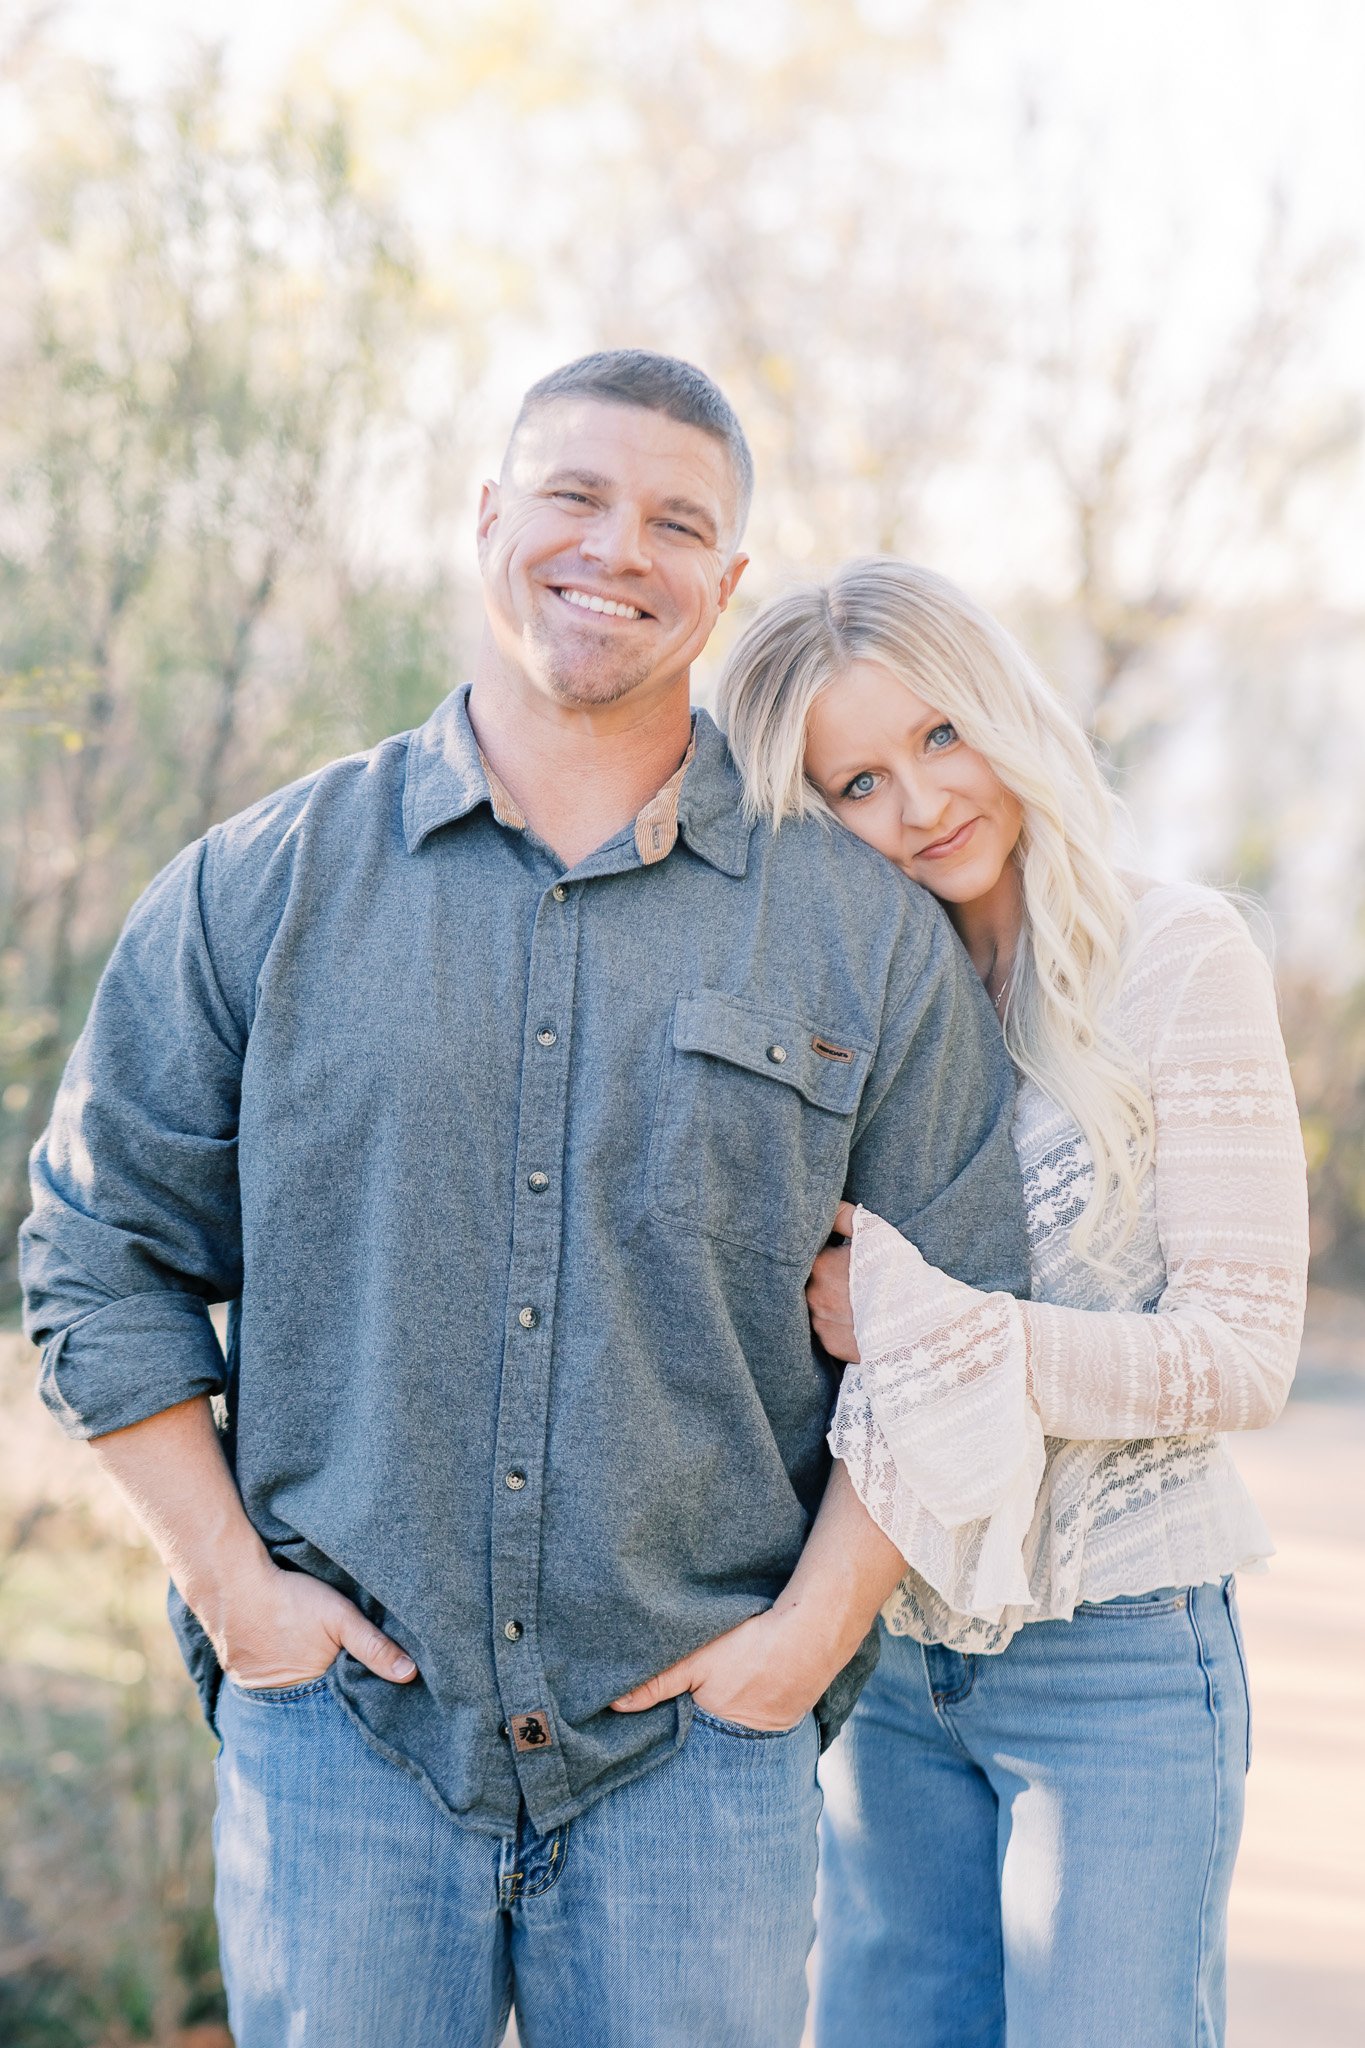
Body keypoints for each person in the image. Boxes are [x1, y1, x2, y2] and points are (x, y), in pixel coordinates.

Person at [20, 361, 1028, 2047]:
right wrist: (236, 1600)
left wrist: (803, 1644)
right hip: (342, 1745)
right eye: (573, 495)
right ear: (489, 519)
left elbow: (961, 1333)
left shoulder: (860, 937)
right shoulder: (257, 887)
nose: (614, 548)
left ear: (727, 584)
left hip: (696, 1767)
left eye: (674, 521)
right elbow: (94, 1254)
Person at [717, 556, 1310, 2048]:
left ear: (1005, 713)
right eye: (853, 783)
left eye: (938, 736)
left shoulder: (1175, 958)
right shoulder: (838, 1014)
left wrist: (924, 1330)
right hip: (893, 1659)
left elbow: (1241, 1354)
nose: (917, 805)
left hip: (1119, 1655)